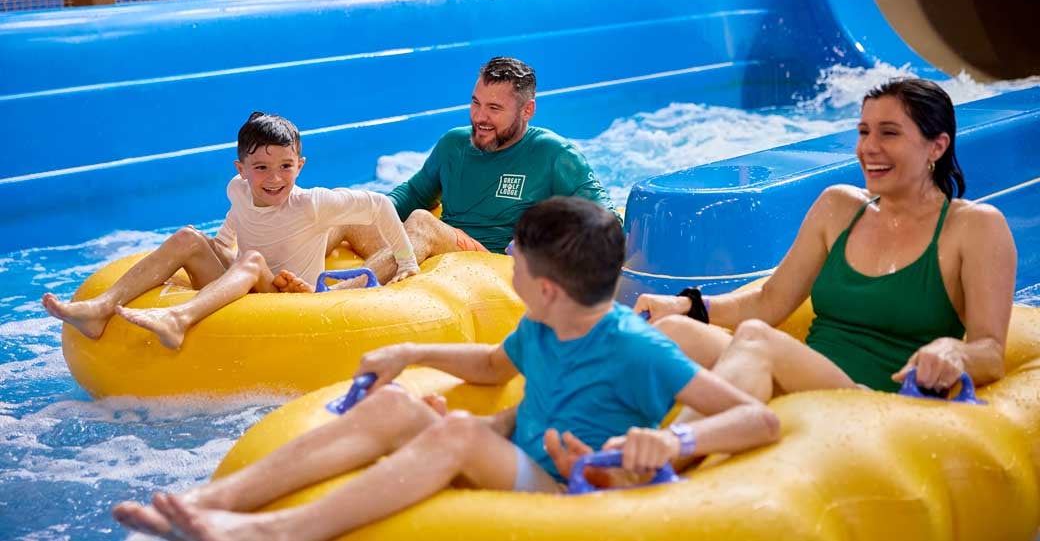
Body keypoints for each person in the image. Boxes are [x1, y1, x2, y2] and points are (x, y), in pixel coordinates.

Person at [111, 196, 780, 541]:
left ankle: (275, 531)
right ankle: (208, 502)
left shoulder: (637, 346)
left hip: (569, 484)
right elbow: (492, 365)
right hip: (522, 450)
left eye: (516, 256)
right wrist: (409, 353)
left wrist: (677, 439)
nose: (507, 261)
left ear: (548, 286)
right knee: (399, 406)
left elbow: (757, 417)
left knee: (455, 435)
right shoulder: (543, 323)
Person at [635, 78, 1015, 402]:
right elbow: (768, 302)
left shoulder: (974, 227)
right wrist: (685, 305)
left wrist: (955, 351)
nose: (869, 147)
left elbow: (991, 352)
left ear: (937, 146)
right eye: (864, 131)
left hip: (874, 402)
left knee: (756, 339)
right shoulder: (839, 207)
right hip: (808, 383)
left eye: (889, 133)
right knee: (672, 333)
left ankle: (671, 452)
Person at [41, 112, 420, 349]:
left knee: (252, 259)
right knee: (189, 236)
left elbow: (380, 205)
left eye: (286, 167)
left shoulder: (312, 203)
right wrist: (221, 246)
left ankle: (178, 318)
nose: (274, 179)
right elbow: (238, 216)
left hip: (289, 296)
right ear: (240, 169)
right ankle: (100, 308)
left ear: (300, 165)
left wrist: (405, 261)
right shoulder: (236, 188)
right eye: (261, 169)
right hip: (247, 281)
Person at [274, 56, 620, 292]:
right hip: (439, 256)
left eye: (494, 108)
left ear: (527, 110)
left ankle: (332, 298)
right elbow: (403, 199)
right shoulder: (454, 145)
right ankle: (280, 275)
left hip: (491, 266)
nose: (480, 117)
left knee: (423, 222)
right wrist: (352, 212)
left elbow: (607, 222)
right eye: (476, 103)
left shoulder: (554, 154)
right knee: (352, 206)